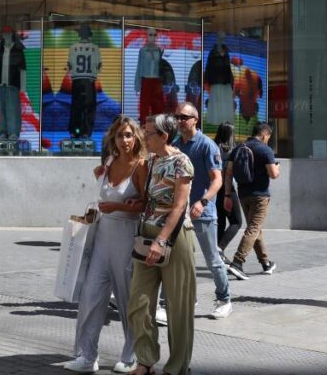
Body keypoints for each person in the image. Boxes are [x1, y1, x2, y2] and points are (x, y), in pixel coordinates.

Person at [64, 117, 147, 374]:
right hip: (102, 235)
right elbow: (101, 186)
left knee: (127, 299)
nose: (124, 140)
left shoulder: (141, 166)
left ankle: (131, 356)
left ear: (136, 138)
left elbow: (146, 205)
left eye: (129, 135)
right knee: (90, 295)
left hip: (127, 235)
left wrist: (120, 206)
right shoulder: (108, 163)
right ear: (113, 138)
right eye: (120, 135)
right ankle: (87, 356)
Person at [127, 114, 195, 375]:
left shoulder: (182, 162)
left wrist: (161, 240)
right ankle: (145, 360)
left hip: (174, 238)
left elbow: (179, 207)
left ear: (164, 136)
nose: (143, 137)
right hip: (147, 235)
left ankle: (176, 367)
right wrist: (139, 203)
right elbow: (152, 197)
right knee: (139, 301)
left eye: (148, 133)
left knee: (179, 307)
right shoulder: (153, 160)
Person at [171, 101, 232, 321]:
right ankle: (190, 297)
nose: (179, 121)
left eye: (184, 117)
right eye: (177, 117)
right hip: (180, 212)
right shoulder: (176, 144)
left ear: (195, 120)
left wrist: (203, 202)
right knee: (182, 259)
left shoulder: (207, 145)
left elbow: (217, 180)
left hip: (202, 213)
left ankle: (224, 300)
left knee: (212, 260)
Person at [225, 122, 279, 280]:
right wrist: (277, 168)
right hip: (260, 196)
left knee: (255, 229)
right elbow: (274, 174)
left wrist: (227, 195)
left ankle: (265, 263)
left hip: (243, 194)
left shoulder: (238, 149)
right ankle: (237, 262)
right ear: (265, 135)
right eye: (268, 137)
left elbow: (228, 173)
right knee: (254, 229)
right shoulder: (265, 150)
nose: (268, 140)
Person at [213, 122, 243, 262]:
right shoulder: (233, 151)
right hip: (228, 190)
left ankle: (218, 255)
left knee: (220, 223)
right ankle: (220, 248)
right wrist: (228, 194)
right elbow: (230, 174)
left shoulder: (212, 148)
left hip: (214, 190)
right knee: (236, 222)